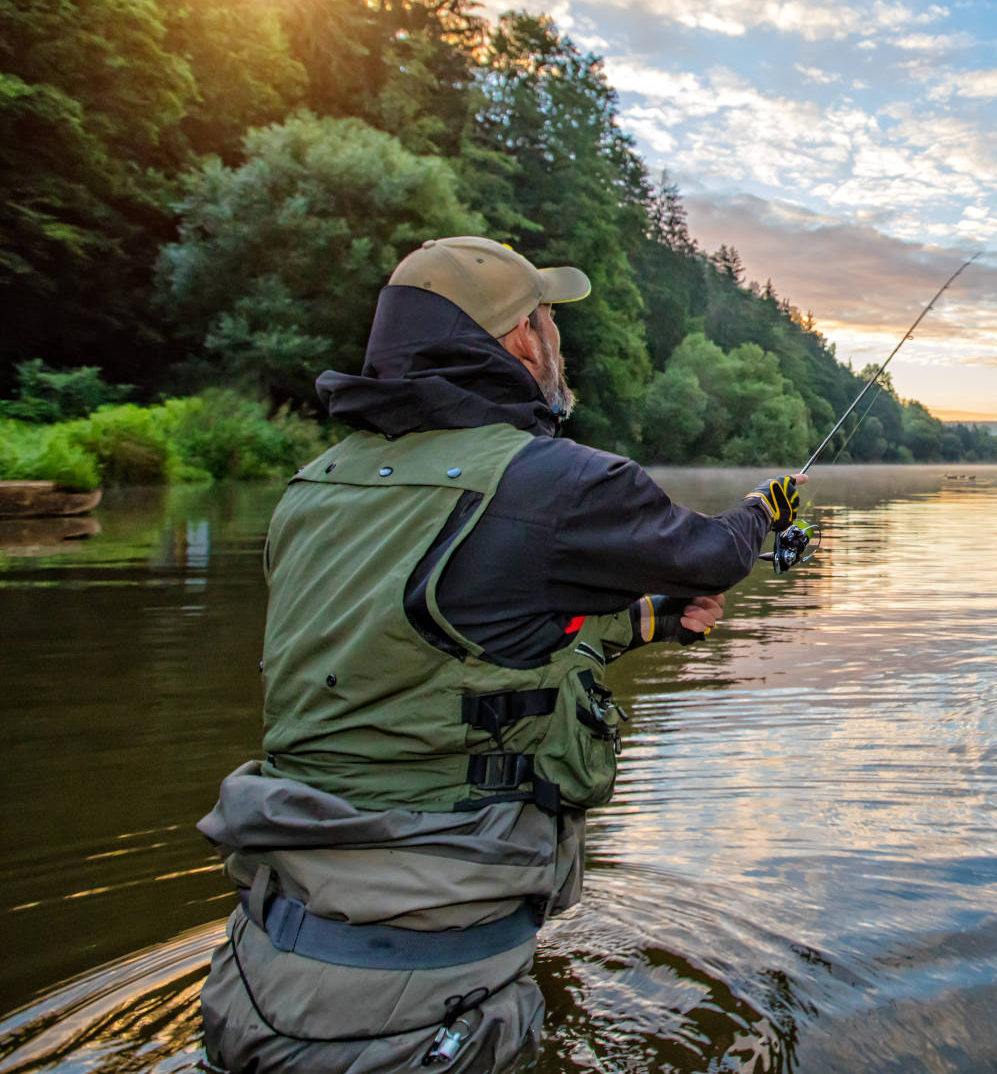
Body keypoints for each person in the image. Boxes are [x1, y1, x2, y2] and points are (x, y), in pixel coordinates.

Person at [197, 236, 804, 1072]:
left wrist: (652, 621)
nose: (559, 340)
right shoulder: (557, 483)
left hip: (253, 979)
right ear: (520, 337)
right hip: (420, 1017)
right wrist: (759, 511)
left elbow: (445, 641)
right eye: (550, 320)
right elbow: (713, 555)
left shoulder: (315, 490)